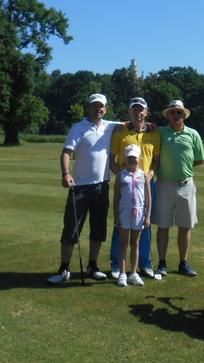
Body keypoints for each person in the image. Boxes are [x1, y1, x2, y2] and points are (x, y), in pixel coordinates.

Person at [47, 93, 120, 284]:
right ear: (88, 108)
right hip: (79, 186)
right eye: (94, 106)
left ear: (106, 109)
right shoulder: (78, 128)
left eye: (101, 106)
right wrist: (65, 174)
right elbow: (66, 153)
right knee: (71, 228)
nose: (98, 109)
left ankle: (92, 266)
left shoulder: (110, 126)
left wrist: (152, 125)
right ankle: (64, 269)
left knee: (98, 228)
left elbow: (132, 123)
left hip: (101, 186)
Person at [108, 96, 162, 280]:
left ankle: (145, 264)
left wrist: (150, 175)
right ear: (129, 112)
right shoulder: (120, 131)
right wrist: (122, 177)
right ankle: (117, 265)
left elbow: (156, 161)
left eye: (141, 109)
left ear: (146, 112)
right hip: (125, 183)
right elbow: (111, 159)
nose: (138, 113)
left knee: (145, 223)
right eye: (134, 109)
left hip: (145, 182)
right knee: (120, 224)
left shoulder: (154, 133)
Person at [155, 99, 204, 277]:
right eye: (173, 112)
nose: (176, 115)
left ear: (184, 115)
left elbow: (199, 159)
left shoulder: (193, 134)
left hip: (186, 186)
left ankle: (183, 263)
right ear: (168, 115)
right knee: (163, 226)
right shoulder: (160, 132)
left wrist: (183, 169)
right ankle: (162, 263)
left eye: (179, 112)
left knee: (185, 226)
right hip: (164, 185)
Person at [112, 144, 151, 287]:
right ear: (125, 159)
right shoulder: (120, 176)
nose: (132, 160)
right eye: (129, 158)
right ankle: (122, 273)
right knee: (123, 242)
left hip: (139, 212)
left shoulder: (144, 175)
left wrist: (148, 216)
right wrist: (116, 216)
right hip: (124, 211)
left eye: (134, 158)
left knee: (135, 243)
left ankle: (133, 273)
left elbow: (148, 197)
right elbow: (116, 197)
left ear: (140, 159)